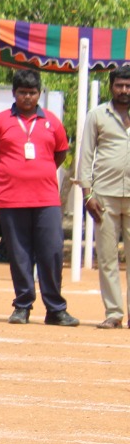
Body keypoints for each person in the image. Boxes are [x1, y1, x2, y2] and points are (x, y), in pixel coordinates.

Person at [0, 69, 76, 326]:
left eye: (32, 93)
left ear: (39, 94)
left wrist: (37, 173)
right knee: (20, 254)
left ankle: (55, 309)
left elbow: (60, 154)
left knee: (52, 252)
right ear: (14, 93)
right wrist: (8, 173)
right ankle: (22, 305)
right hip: (12, 199)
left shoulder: (52, 122)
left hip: (46, 198)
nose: (27, 98)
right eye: (22, 92)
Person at [74, 65, 130, 329]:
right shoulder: (97, 115)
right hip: (104, 197)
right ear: (111, 86)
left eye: (128, 86)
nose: (124, 90)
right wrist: (87, 194)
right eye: (119, 85)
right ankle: (114, 313)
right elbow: (85, 156)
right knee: (107, 258)